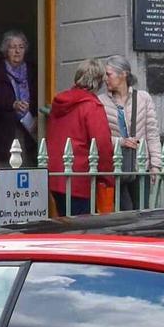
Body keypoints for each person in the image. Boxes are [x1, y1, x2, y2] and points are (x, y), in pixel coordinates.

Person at [46, 65, 114, 218]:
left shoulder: (60, 102)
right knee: (83, 230)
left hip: (56, 175)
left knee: (64, 224)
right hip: (80, 179)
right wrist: (108, 177)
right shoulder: (91, 106)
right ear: (98, 83)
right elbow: (101, 146)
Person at [99, 55, 163, 204]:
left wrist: (156, 165)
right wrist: (120, 142)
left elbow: (152, 133)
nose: (105, 79)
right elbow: (99, 137)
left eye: (109, 74)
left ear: (123, 74)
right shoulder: (101, 101)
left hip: (140, 167)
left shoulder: (143, 98)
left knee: (141, 212)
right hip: (115, 168)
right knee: (122, 216)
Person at [0, 30, 38, 165]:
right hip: (4, 129)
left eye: (21, 47)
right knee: (6, 170)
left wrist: (35, 112)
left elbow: (38, 93)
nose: (17, 51)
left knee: (28, 166)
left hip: (29, 128)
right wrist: (12, 104)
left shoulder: (32, 70)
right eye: (13, 47)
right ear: (6, 50)